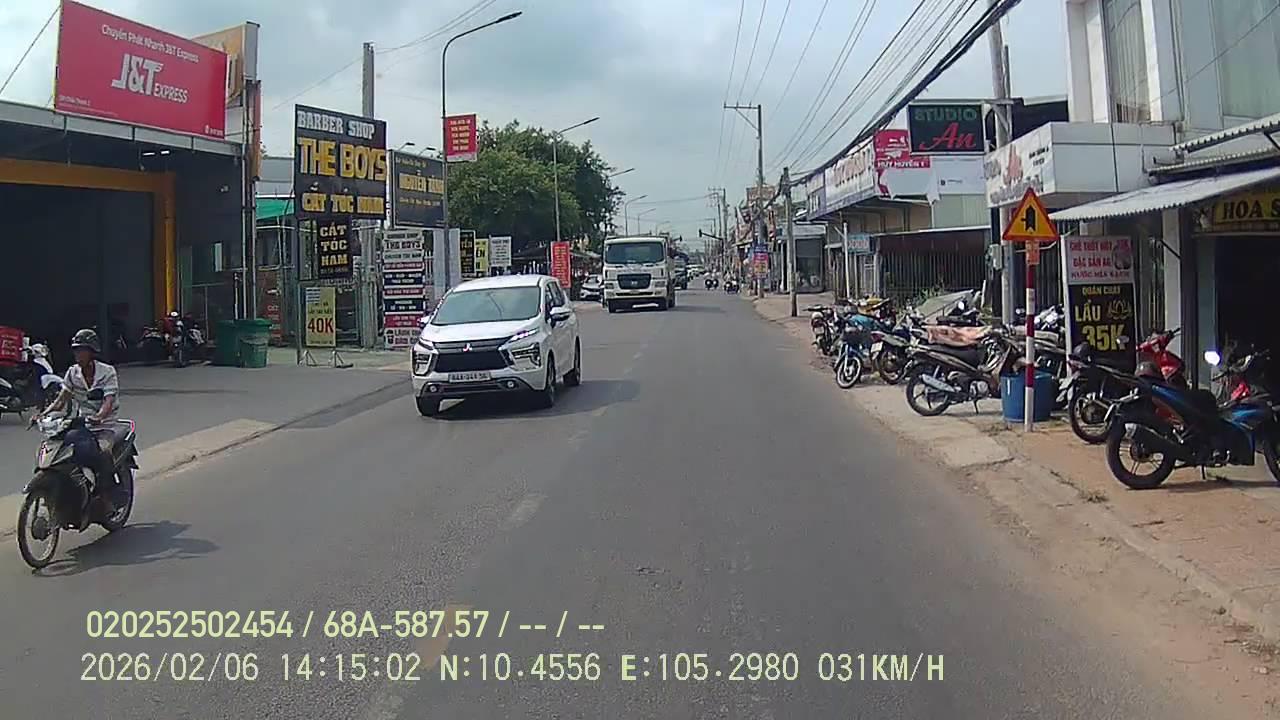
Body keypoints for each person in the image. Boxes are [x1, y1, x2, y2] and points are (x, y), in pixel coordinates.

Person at [39, 328, 122, 506]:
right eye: (76, 350)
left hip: (104, 426)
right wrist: (43, 414)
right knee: (65, 448)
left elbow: (108, 401)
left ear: (92, 352)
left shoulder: (107, 372)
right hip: (82, 422)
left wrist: (99, 416)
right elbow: (61, 400)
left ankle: (107, 493)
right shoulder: (72, 373)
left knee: (102, 452)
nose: (78, 354)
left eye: (82, 350)